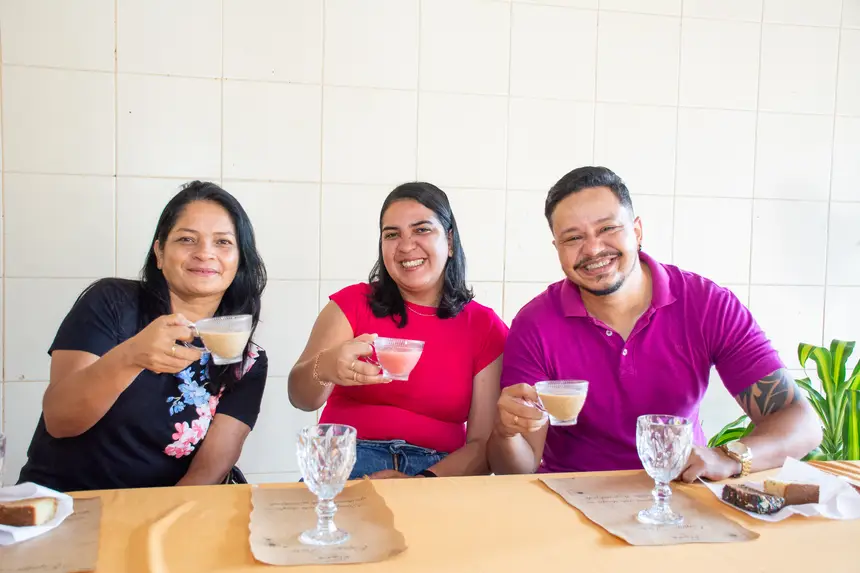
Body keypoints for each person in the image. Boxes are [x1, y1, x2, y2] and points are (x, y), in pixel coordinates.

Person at [487, 166, 822, 482]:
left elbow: (802, 424)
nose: (593, 249)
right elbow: (518, 469)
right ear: (557, 248)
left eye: (607, 228)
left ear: (636, 231)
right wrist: (506, 432)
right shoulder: (534, 323)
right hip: (569, 494)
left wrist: (730, 457)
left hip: (681, 489)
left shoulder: (706, 304)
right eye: (573, 238)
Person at [17, 181, 268, 491]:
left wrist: (157, 519)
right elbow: (60, 421)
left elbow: (209, 470)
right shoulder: (112, 303)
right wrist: (131, 356)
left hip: (164, 510)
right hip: (66, 504)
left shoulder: (246, 359)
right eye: (187, 239)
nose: (205, 253)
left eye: (223, 242)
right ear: (159, 253)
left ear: (240, 260)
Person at [289, 182, 507, 480]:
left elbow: (483, 446)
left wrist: (422, 482)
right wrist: (325, 367)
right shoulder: (352, 304)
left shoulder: (485, 327)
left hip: (438, 472)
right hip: (347, 460)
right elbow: (301, 399)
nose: (405, 246)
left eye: (422, 230)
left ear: (450, 241)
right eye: (392, 234)